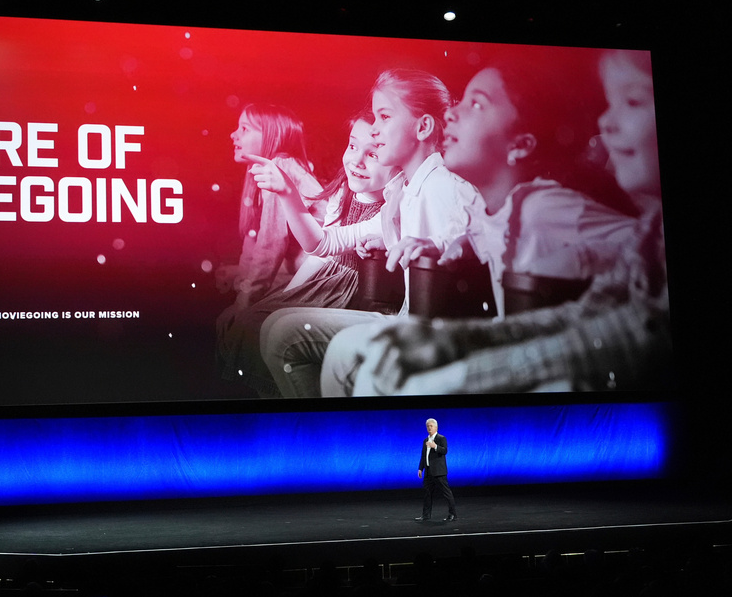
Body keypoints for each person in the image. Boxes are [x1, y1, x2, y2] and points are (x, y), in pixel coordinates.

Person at [336, 49, 667, 395]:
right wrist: (452, 251)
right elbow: (592, 310)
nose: (451, 113)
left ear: (521, 145)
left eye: (477, 104)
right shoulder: (492, 213)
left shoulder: (543, 208)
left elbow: (641, 327)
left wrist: (462, 371)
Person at [257, 69, 480, 398]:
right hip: (406, 318)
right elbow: (325, 243)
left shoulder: (443, 184)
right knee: (274, 325)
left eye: (384, 117)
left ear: (423, 127)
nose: (374, 129)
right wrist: (388, 241)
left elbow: (480, 240)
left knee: (285, 336)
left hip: (428, 329)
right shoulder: (402, 193)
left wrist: (444, 245)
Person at [216, 113, 390, 397]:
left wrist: (287, 191)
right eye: (352, 146)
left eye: (373, 153)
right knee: (252, 320)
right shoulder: (343, 191)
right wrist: (287, 296)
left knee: (254, 325)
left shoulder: (391, 209)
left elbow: (292, 243)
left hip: (353, 291)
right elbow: (317, 258)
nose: (357, 161)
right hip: (323, 278)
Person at [215, 103, 325, 315]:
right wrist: (242, 280)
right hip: (302, 276)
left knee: (237, 320)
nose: (233, 135)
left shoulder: (280, 168)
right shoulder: (261, 174)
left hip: (319, 280)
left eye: (244, 128)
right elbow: (255, 241)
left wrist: (244, 300)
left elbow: (272, 242)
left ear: (272, 136)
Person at [417, 418, 456, 522]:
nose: (429, 428)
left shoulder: (441, 438)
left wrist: (435, 446)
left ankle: (452, 514)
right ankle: (425, 515)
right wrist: (420, 468)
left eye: (431, 426)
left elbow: (445, 451)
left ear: (436, 427)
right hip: (428, 472)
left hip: (439, 472)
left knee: (446, 493)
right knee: (427, 494)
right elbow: (423, 456)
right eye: (428, 426)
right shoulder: (425, 440)